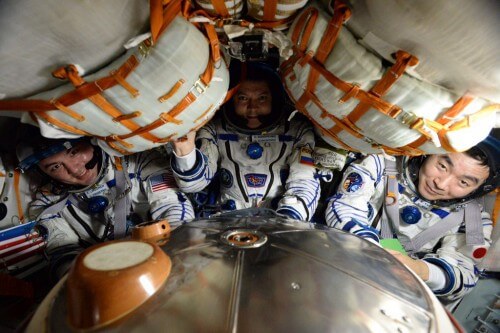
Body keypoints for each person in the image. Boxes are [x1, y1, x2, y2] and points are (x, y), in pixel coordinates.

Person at [325, 131, 499, 304]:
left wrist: (420, 270)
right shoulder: (383, 163)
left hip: (386, 293)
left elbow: (466, 274)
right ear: (429, 152)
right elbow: (345, 206)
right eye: (443, 166)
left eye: (463, 182)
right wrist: (371, 247)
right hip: (334, 259)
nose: (441, 184)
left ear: (479, 189)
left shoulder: (473, 218)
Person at [18, 126, 195, 277]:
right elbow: (63, 255)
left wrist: (167, 256)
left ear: (91, 141)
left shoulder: (139, 162)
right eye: (56, 167)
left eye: (74, 152)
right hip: (107, 278)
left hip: (165, 261)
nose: (74, 169)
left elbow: (175, 211)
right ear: (43, 173)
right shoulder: (48, 204)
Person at [170, 62, 320, 220]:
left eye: (262, 98)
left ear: (274, 98)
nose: (252, 107)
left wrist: (287, 220)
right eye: (243, 98)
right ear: (230, 99)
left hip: (280, 219)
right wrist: (185, 152)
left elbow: (305, 181)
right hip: (226, 222)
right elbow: (194, 185)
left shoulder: (297, 131)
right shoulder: (214, 130)